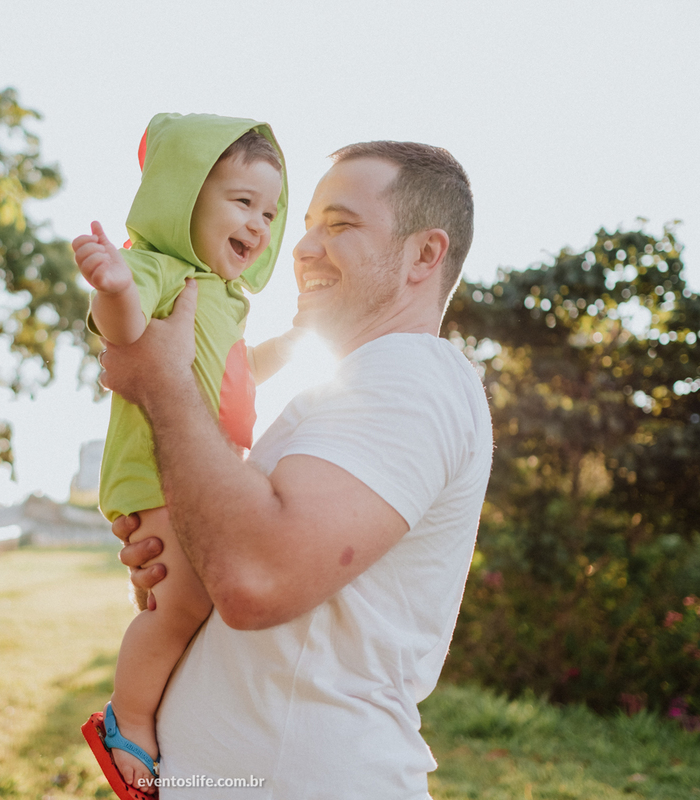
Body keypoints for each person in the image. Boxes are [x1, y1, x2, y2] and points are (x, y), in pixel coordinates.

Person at [100, 141, 493, 799]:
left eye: (339, 226)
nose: (302, 247)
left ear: (425, 254)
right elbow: (240, 547)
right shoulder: (359, 386)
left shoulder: (409, 376)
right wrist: (179, 535)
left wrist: (161, 384)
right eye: (307, 223)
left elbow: (256, 578)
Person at [72, 113, 300, 798]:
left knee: (196, 598)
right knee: (177, 604)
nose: (259, 225)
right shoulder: (157, 267)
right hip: (156, 470)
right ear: (185, 197)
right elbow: (130, 334)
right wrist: (114, 285)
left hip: (204, 469)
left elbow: (236, 373)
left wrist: (297, 343)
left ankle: (161, 707)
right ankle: (129, 719)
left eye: (269, 211)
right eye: (241, 202)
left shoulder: (227, 300)